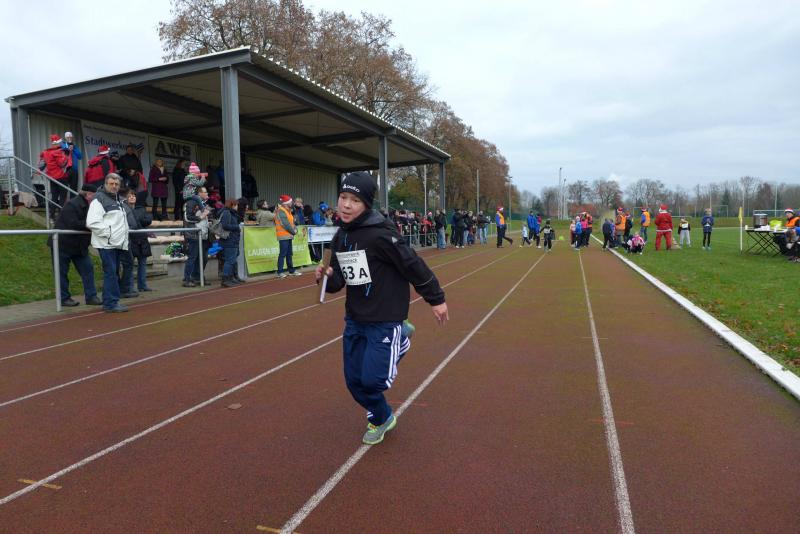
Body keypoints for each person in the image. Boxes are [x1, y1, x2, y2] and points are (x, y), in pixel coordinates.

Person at [315, 171, 448, 445]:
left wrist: (436, 299)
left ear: (366, 204)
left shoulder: (381, 235)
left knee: (374, 381)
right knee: (354, 382)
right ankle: (382, 417)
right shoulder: (340, 237)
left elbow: (413, 265)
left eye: (355, 200)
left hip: (385, 317)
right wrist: (326, 277)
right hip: (355, 318)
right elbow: (339, 282)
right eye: (343, 197)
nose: (346, 205)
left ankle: (401, 338)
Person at [47, 183, 102, 307]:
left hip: (79, 246)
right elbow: (73, 223)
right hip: (63, 244)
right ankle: (64, 298)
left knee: (88, 269)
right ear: (88, 195)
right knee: (61, 273)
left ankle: (91, 296)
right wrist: (91, 224)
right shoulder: (72, 204)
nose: (97, 198)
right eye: (95, 195)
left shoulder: (91, 206)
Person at [85, 173, 130, 312]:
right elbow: (92, 222)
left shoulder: (119, 200)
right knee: (111, 273)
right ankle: (111, 303)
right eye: (111, 184)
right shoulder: (99, 199)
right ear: (105, 184)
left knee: (113, 273)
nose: (114, 186)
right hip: (107, 244)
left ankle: (110, 301)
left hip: (116, 243)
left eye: (116, 184)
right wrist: (109, 234)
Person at [183, 180, 211, 288]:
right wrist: (201, 217)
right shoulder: (191, 202)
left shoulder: (204, 204)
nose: (207, 193)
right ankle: (187, 279)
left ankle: (197, 277)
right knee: (192, 257)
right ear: (199, 193)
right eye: (205, 192)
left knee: (203, 258)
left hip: (203, 235)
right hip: (194, 234)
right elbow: (187, 218)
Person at [38, 134, 70, 214]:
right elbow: (62, 164)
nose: (61, 143)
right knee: (63, 196)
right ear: (58, 142)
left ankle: (52, 214)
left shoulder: (45, 152)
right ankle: (61, 214)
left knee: (54, 196)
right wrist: (66, 155)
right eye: (60, 142)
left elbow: (41, 166)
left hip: (52, 177)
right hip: (61, 176)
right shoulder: (58, 151)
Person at [130, 191, 154, 292]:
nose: (132, 197)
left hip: (142, 239)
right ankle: (130, 287)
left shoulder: (141, 209)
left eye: (134, 195)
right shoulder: (124, 209)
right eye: (130, 196)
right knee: (129, 265)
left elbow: (148, 220)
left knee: (142, 264)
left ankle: (142, 285)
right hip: (131, 240)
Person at [219, 198, 243, 287]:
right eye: (236, 205)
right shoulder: (227, 213)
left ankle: (231, 277)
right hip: (229, 240)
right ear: (232, 205)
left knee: (232, 260)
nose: (237, 207)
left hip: (233, 239)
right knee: (229, 260)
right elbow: (225, 225)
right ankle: (225, 279)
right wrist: (237, 227)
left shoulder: (232, 213)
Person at [275, 194, 301, 278]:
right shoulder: (281, 211)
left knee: (289, 254)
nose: (292, 203)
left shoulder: (288, 211)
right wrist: (294, 231)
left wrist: (295, 229)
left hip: (288, 235)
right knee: (283, 254)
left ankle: (291, 270)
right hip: (283, 236)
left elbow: (292, 223)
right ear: (286, 203)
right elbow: (285, 224)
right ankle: (280, 272)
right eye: (290, 202)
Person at [61, 132, 82, 200]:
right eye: (68, 137)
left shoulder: (74, 146)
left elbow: (80, 156)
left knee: (74, 188)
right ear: (65, 138)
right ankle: (63, 203)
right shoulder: (62, 144)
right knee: (64, 187)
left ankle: (73, 203)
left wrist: (74, 148)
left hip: (74, 169)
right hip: (66, 169)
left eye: (70, 137)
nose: (69, 138)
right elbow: (63, 151)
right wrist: (68, 148)